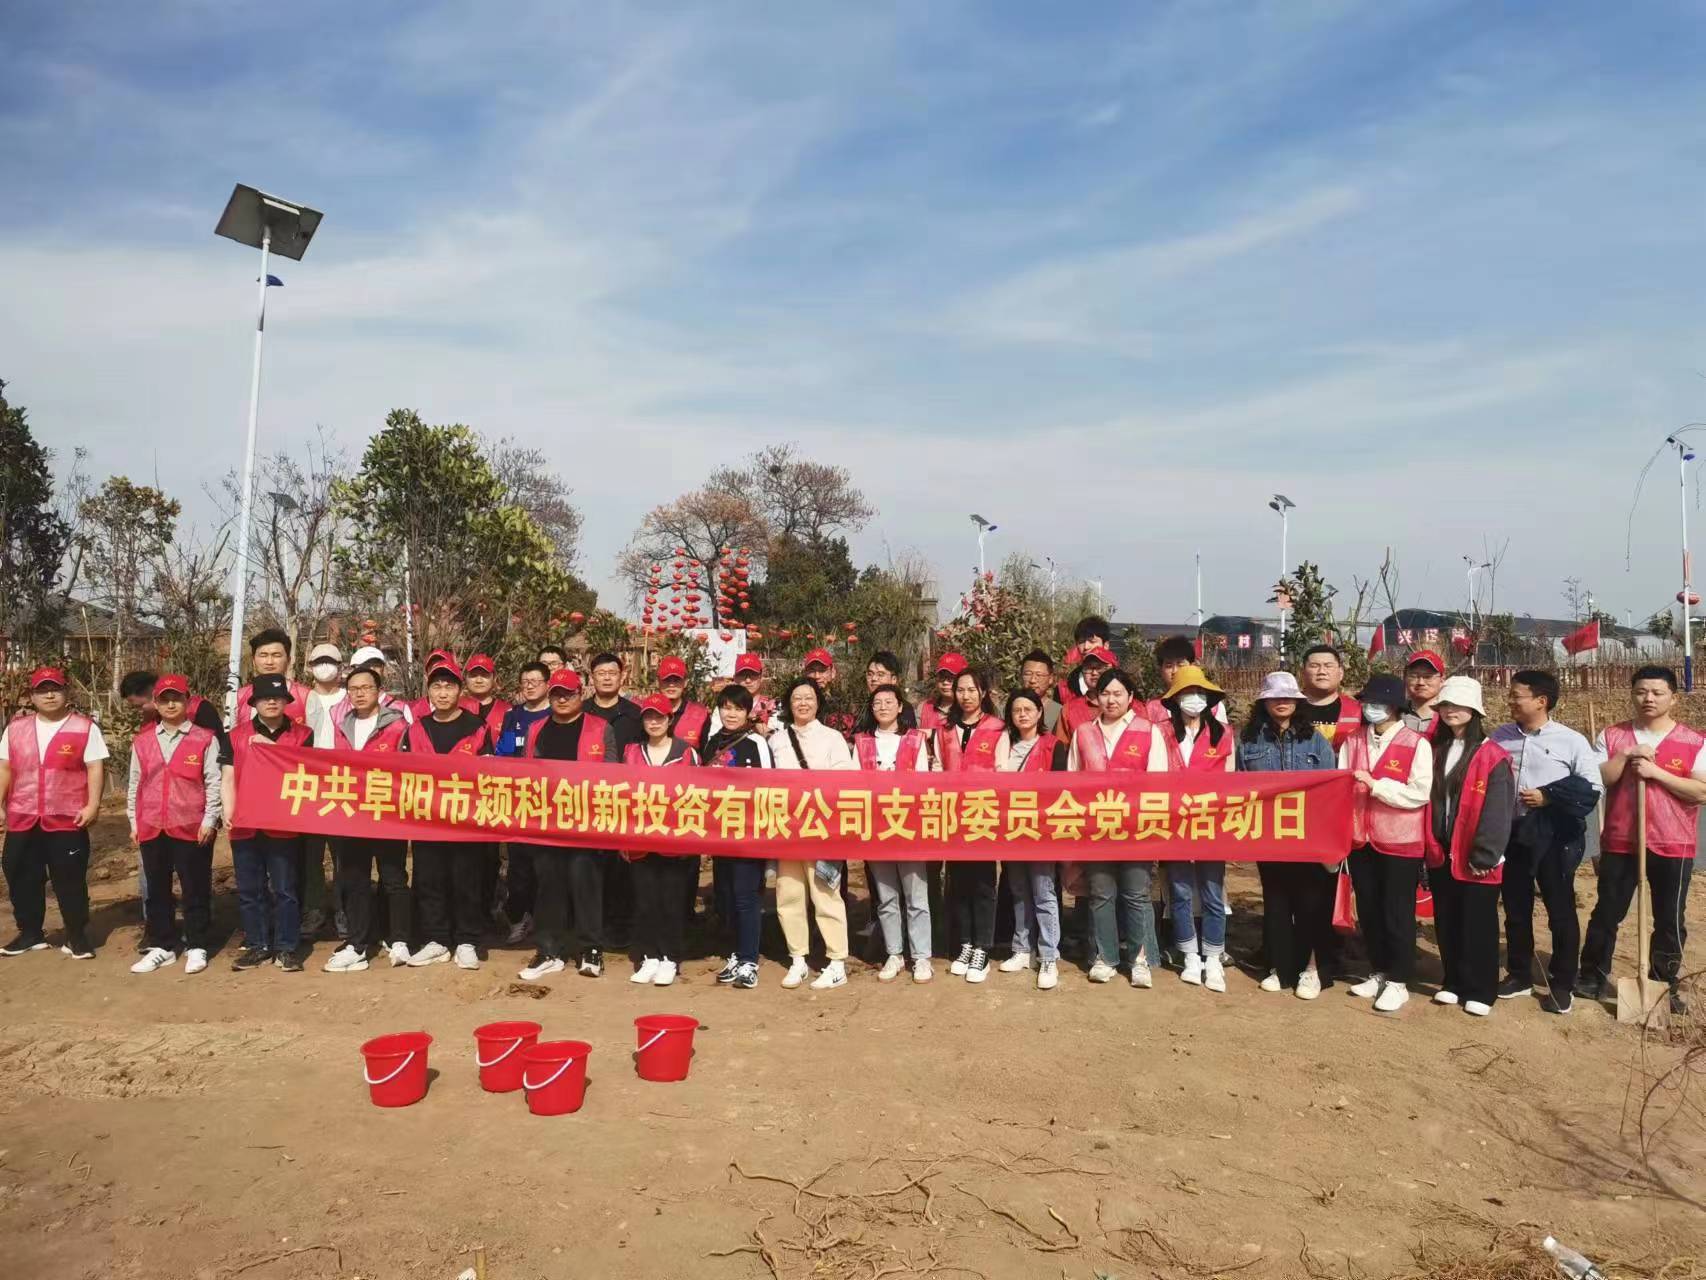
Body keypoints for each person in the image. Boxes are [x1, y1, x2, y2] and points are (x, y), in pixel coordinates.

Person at [1578, 665, 1704, 1015]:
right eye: (1641, 691)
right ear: (1632, 694)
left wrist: (1656, 773)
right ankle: (1591, 976)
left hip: (1673, 842)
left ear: (1673, 698)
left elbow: (1700, 791)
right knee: (1607, 912)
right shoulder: (1613, 736)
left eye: (1658, 692)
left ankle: (1663, 983)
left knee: (1669, 919)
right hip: (1621, 841)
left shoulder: (1694, 742)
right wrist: (1627, 755)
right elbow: (1599, 778)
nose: (1649, 698)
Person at [1489, 670, 1601, 1014]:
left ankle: (1562, 983)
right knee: (1516, 908)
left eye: (1516, 695)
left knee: (1560, 909)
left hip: (1555, 835)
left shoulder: (1571, 741)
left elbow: (1591, 787)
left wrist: (1549, 795)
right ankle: (1519, 974)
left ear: (1541, 701)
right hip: (1513, 834)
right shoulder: (1499, 737)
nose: (1510, 700)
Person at [1238, 672, 1339, 999]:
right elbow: (1238, 787)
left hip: (1309, 836)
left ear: (1297, 702)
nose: (1281, 702)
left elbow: (1331, 788)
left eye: (1288, 697)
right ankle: (1279, 967)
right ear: (1264, 702)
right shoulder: (1250, 740)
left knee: (1311, 902)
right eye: (1274, 697)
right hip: (1268, 835)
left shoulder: (1315, 740)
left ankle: (1312, 968)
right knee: (1276, 902)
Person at [1340, 673, 1434, 1014]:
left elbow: (1419, 793)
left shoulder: (1415, 743)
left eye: (1379, 703)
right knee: (1369, 909)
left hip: (1399, 840)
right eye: (1368, 702)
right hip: (1360, 839)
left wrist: (1377, 786)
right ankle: (1378, 970)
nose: (1372, 708)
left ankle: (1399, 979)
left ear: (1395, 707)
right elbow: (1341, 785)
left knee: (1397, 911)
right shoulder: (1353, 741)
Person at [516, 669, 616, 981]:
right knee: (549, 886)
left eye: (568, 694)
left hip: (587, 822)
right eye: (556, 694)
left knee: (585, 883)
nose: (562, 699)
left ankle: (591, 949)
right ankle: (549, 950)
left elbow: (613, 775)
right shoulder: (536, 729)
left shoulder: (601, 728)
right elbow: (527, 772)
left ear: (580, 694)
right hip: (548, 822)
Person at [0, 667, 106, 960]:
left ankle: (76, 935)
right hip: (23, 815)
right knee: (19, 873)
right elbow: (5, 768)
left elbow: (95, 767)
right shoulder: (15, 729)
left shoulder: (84, 727)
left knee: (69, 878)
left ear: (65, 692)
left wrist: (93, 804)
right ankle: (30, 933)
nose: (49, 695)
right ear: (32, 696)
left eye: (55, 689)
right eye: (42, 690)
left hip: (67, 817)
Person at [1068, 667, 1163, 986]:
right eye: (1105, 693)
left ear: (1130, 697)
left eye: (1118, 693)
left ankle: (1139, 960)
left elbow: (1159, 783)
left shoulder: (1148, 731)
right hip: (1096, 829)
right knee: (1101, 894)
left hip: (1136, 830)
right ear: (1096, 697)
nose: (1111, 700)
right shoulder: (1084, 732)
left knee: (1136, 894)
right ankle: (1105, 957)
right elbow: (1073, 780)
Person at [1426, 676, 1514, 1017]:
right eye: (1446, 705)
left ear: (1474, 710)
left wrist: (1486, 853)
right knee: (1447, 918)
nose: (1451, 710)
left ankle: (1481, 988)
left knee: (1478, 922)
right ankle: (1453, 980)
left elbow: (1498, 809)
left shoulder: (1493, 755)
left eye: (1459, 705)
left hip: (1475, 852)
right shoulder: (1436, 749)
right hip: (1441, 849)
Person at [1150, 664, 1237, 992]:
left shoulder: (1223, 733)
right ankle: (1189, 955)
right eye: (1187, 693)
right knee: (1180, 891)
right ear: (1174, 699)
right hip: (1174, 822)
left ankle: (1213, 957)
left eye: (1199, 693)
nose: (1194, 699)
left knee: (1213, 892)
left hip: (1210, 823)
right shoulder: (1161, 732)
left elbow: (1231, 780)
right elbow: (1155, 775)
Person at [401, 660, 492, 971]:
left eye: (449, 686)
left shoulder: (477, 727)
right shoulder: (416, 728)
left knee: (467, 881)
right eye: (436, 686)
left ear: (459, 690)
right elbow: (402, 772)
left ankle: (467, 941)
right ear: (428, 691)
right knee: (429, 879)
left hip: (465, 820)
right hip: (427, 819)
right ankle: (436, 939)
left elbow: (489, 774)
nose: (442, 693)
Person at [128, 675, 222, 975]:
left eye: (176, 698)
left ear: (187, 701)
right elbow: (135, 783)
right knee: (157, 888)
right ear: (155, 703)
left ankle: (196, 944)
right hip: (152, 824)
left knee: (195, 886)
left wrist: (210, 819)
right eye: (164, 699)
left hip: (191, 825)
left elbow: (213, 781)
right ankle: (163, 945)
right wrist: (134, 821)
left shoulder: (204, 738)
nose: (170, 704)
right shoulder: (143, 741)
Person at [221, 674, 314, 972]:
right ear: (254, 702)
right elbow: (227, 776)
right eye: (264, 698)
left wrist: (270, 748)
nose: (272, 702)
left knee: (285, 889)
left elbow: (305, 772)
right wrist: (228, 810)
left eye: (277, 697)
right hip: (245, 821)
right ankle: (257, 944)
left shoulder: (303, 735)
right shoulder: (235, 736)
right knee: (251, 889)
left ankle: (286, 947)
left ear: (287, 701)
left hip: (283, 823)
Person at [768, 677, 855, 989]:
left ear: (818, 702)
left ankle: (837, 961)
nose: (802, 703)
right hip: (788, 829)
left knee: (825, 894)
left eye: (808, 697)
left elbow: (846, 780)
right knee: (788, 893)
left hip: (822, 828)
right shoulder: (777, 740)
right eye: (796, 698)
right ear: (788, 704)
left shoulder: (832, 738)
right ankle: (798, 959)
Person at [324, 667, 412, 972]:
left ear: (379, 691)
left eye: (366, 687)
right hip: (352, 815)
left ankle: (399, 939)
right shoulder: (341, 726)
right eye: (353, 689)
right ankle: (357, 943)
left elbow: (410, 768)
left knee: (394, 878)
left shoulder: (398, 726)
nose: (359, 694)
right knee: (354, 879)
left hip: (388, 813)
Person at [853, 683, 935, 983]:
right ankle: (894, 953)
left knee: (916, 896)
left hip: (908, 826)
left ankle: (922, 956)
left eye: (889, 702)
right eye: (877, 702)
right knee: (886, 897)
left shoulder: (915, 740)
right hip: (876, 828)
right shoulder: (861, 742)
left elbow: (923, 783)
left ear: (900, 706)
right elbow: (853, 785)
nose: (883, 707)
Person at [933, 667, 1006, 982]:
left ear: (983, 693)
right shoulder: (945, 729)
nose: (965, 696)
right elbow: (938, 767)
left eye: (972, 690)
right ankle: (965, 943)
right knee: (959, 881)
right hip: (953, 815)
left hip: (983, 815)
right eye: (960, 690)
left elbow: (1003, 770)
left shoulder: (997, 728)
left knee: (983, 883)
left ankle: (982, 947)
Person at [623, 693, 700, 987]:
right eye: (649, 717)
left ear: (670, 720)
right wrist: (623, 840)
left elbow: (699, 795)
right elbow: (620, 794)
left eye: (659, 717)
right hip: (640, 839)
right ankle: (649, 956)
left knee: (671, 901)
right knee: (644, 901)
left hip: (675, 841)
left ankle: (670, 957)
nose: (654, 722)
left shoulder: (687, 753)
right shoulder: (632, 752)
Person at [996, 687, 1069, 989]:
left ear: (1040, 712)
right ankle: (1022, 948)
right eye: (1017, 710)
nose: (1022, 714)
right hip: (1012, 830)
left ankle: (1049, 955)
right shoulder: (1004, 745)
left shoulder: (1054, 746)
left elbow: (1061, 789)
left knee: (1043, 893)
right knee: (1019, 891)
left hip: (1041, 831)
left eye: (1028, 709)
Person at [705, 685, 774, 988]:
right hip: (719, 834)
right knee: (726, 896)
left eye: (738, 708)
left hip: (748, 833)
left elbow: (770, 785)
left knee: (746, 896)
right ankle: (735, 953)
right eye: (726, 707)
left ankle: (749, 960)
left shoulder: (756, 743)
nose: (731, 714)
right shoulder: (711, 743)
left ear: (748, 712)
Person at [299, 642, 346, 938]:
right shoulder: (301, 699)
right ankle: (314, 909)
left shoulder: (351, 698)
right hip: (309, 784)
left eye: (330, 661)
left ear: (341, 667)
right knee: (310, 854)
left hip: (343, 784)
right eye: (319, 662)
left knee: (343, 855)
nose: (324, 667)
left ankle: (343, 910)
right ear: (310, 667)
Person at [234, 629, 310, 723]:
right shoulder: (239, 697)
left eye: (276, 655)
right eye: (263, 655)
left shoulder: (306, 696)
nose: (269, 662)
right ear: (253, 661)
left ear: (288, 660)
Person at [1297, 645, 1363, 746]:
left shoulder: (1359, 710)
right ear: (1303, 673)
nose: (1322, 672)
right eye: (1314, 666)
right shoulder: (1288, 707)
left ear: (1341, 673)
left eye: (1328, 666)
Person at [1055, 646, 1117, 743]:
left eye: (1100, 667)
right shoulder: (1069, 710)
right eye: (1089, 668)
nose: (1094, 672)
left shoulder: (1132, 707)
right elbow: (1061, 747)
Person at [495, 662, 552, 757]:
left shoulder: (555, 715)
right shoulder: (512, 715)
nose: (529, 687)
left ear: (548, 684)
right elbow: (505, 751)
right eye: (525, 682)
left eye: (535, 681)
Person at [658, 655, 711, 747]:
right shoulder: (647, 713)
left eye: (676, 680)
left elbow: (706, 751)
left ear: (685, 682)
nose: (671, 685)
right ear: (658, 681)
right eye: (667, 680)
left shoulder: (700, 714)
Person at [917, 653, 966, 732]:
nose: (945, 682)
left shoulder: (969, 709)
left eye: (951, 678)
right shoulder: (924, 708)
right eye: (942, 677)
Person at [1018, 650, 1064, 734]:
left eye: (1039, 675)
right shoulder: (1008, 709)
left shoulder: (1060, 712)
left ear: (1051, 679)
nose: (1032, 680)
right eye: (1028, 674)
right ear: (1020, 676)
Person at [1402, 650, 1445, 734]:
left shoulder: (1449, 717)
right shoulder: (1394, 715)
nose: (1421, 682)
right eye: (1414, 676)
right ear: (1405, 678)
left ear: (1442, 680)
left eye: (1428, 677)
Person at [732, 653, 774, 732]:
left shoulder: (772, 706)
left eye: (753, 674)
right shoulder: (726, 706)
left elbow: (778, 737)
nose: (748, 680)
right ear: (735, 678)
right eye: (742, 675)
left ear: (761, 677)